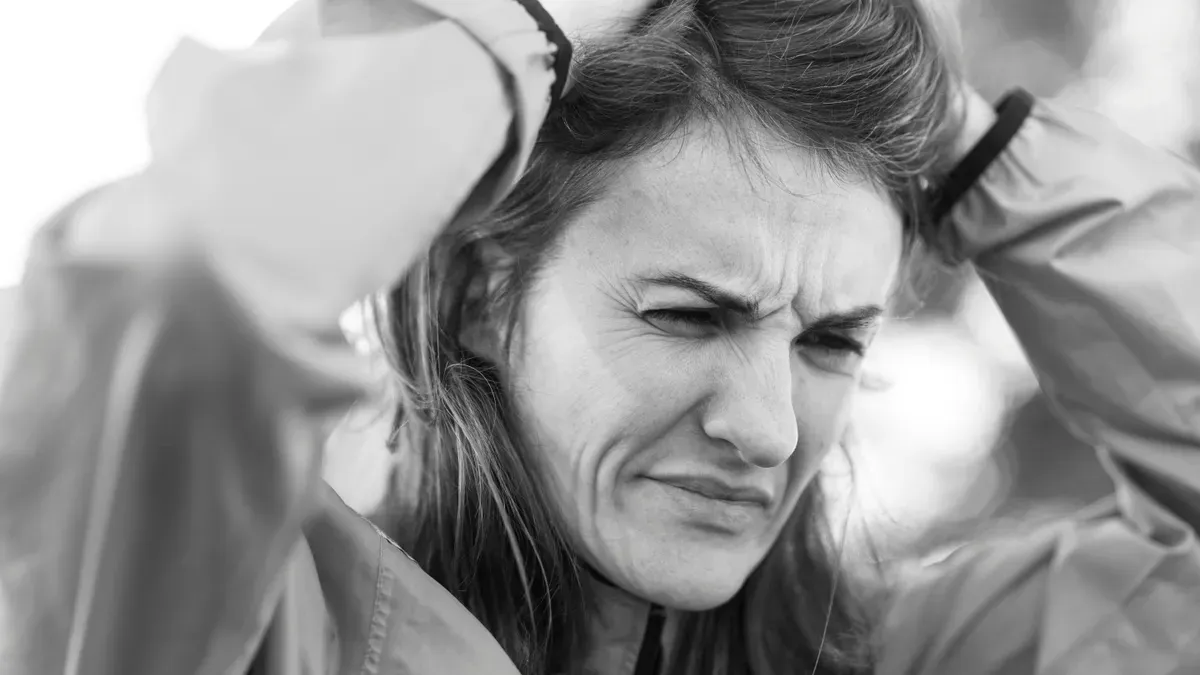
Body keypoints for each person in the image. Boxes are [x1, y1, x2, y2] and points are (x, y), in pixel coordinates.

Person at [0, 1, 1197, 674]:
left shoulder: (906, 659)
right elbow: (178, 285)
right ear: (477, 289)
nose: (770, 429)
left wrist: (979, 145)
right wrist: (525, 27)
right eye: (688, 314)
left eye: (832, 341)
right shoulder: (226, 623)